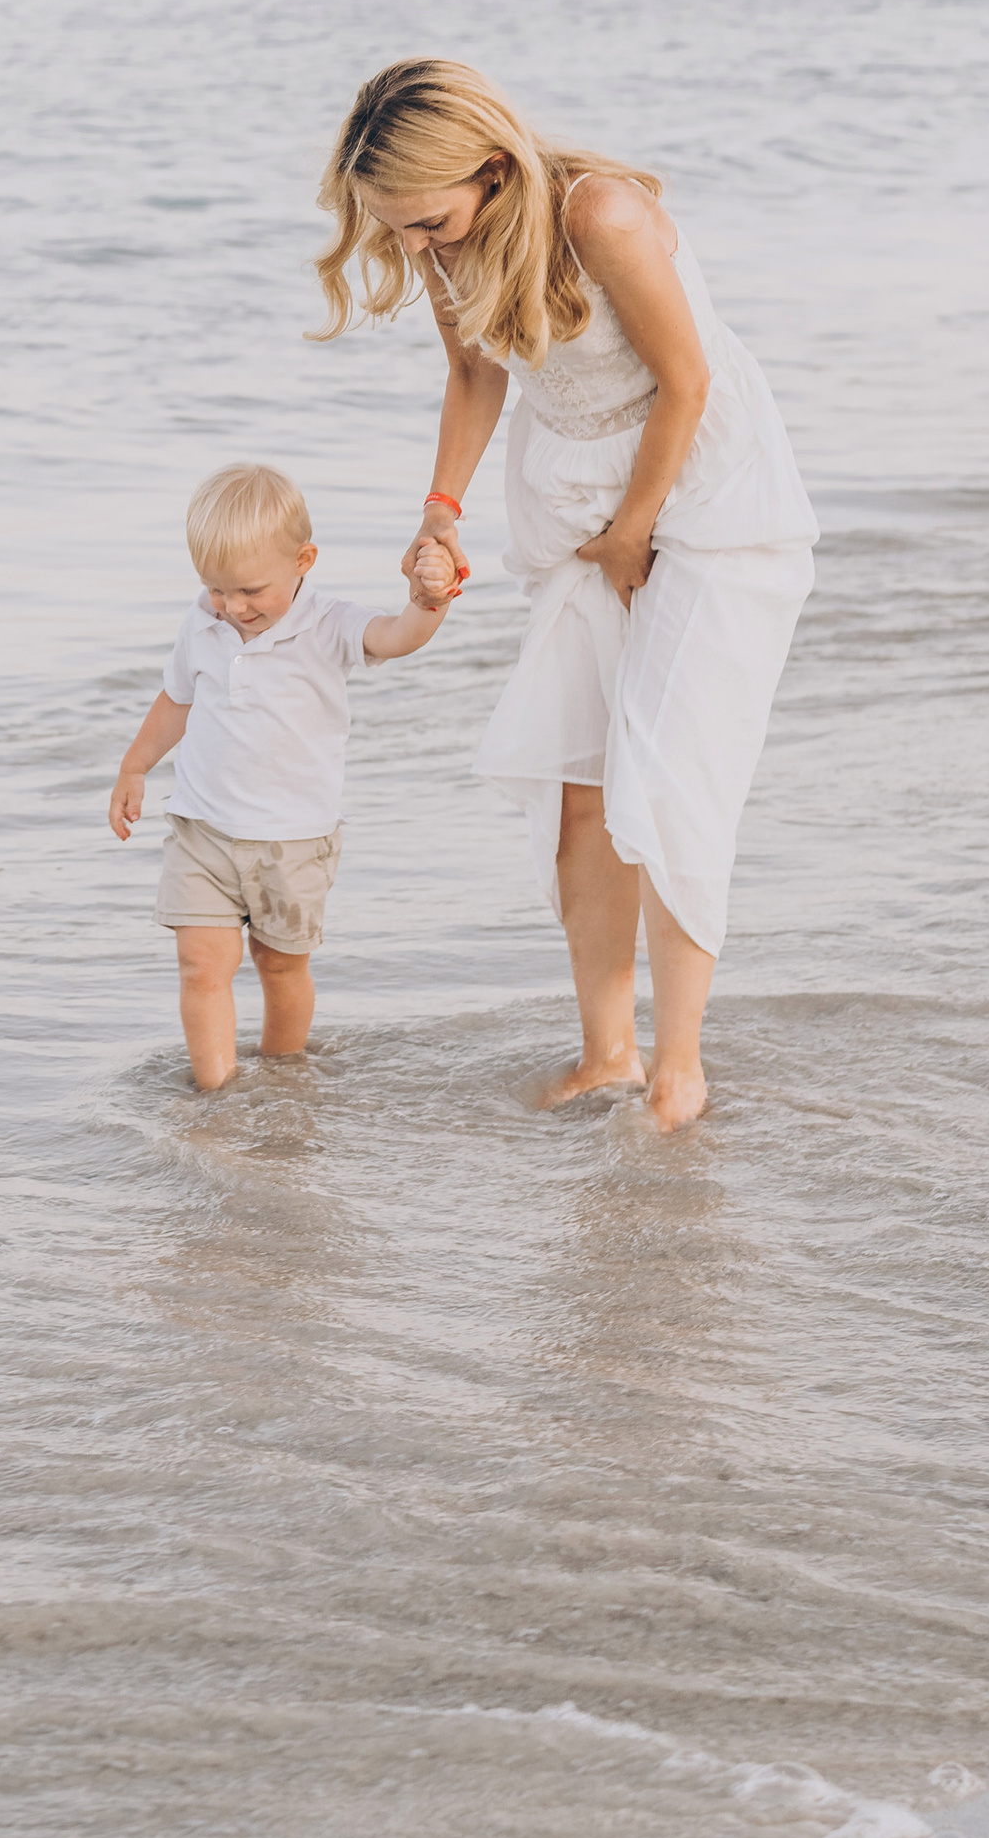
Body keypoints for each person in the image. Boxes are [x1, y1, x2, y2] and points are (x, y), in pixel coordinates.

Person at [314, 59, 815, 1130]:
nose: (415, 248)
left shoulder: (602, 216)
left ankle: (679, 1072)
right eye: (394, 228)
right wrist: (439, 511)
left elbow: (688, 380)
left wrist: (637, 531)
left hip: (705, 497)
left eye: (430, 223)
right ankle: (607, 1056)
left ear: (493, 171)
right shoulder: (445, 245)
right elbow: (475, 375)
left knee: (667, 782)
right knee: (580, 793)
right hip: (580, 494)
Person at [108, 460, 460, 1090]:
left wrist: (427, 601)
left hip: (293, 838)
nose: (232, 607)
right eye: (217, 589)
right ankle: (216, 1093)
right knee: (199, 965)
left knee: (280, 967)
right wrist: (134, 766)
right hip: (202, 830)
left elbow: (396, 636)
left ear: (304, 561)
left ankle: (282, 1072)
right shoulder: (203, 621)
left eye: (249, 591)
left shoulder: (330, 624)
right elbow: (175, 702)